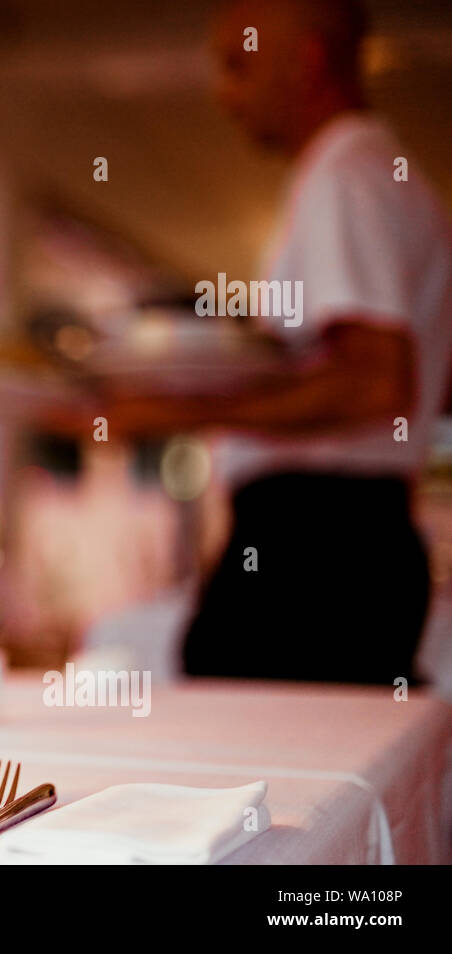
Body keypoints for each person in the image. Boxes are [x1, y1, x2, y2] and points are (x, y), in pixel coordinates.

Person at [110, 0, 452, 683]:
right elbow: (425, 390)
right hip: (359, 540)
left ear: (306, 62)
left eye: (238, 65)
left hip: (312, 548)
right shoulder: (390, 177)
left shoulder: (345, 175)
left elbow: (378, 383)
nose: (223, 94)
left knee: (240, 776)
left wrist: (176, 414)